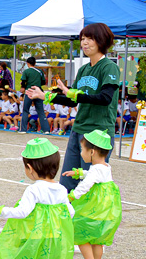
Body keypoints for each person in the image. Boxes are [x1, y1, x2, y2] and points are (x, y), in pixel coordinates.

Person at [25, 24, 121, 192]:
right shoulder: (83, 69)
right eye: (82, 39)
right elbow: (72, 100)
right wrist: (45, 96)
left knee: (91, 183)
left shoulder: (109, 67)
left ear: (101, 40)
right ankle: (67, 215)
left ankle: (93, 218)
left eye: (90, 39)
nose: (84, 43)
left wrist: (73, 94)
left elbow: (105, 98)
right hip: (78, 129)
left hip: (98, 133)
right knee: (67, 178)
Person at [64, 129, 122, 259]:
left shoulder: (96, 169)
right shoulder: (105, 166)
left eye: (83, 149)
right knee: (98, 237)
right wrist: (79, 173)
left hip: (95, 206)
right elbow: (94, 175)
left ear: (92, 152)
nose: (81, 153)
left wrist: (72, 196)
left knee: (78, 226)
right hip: (106, 208)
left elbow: (85, 185)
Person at [19, 57, 49, 133]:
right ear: (35, 63)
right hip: (38, 92)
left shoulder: (26, 71)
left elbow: (23, 81)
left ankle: (23, 129)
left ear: (27, 63)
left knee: (25, 110)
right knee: (41, 111)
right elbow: (43, 82)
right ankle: (46, 130)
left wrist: (23, 87)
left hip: (29, 91)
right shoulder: (40, 71)